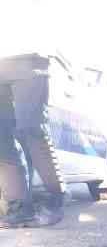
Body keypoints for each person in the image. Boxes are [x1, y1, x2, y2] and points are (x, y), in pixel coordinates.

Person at [0, 51, 65, 227]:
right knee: (1, 141)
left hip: (29, 59)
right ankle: (19, 208)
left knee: (31, 129)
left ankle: (55, 197)